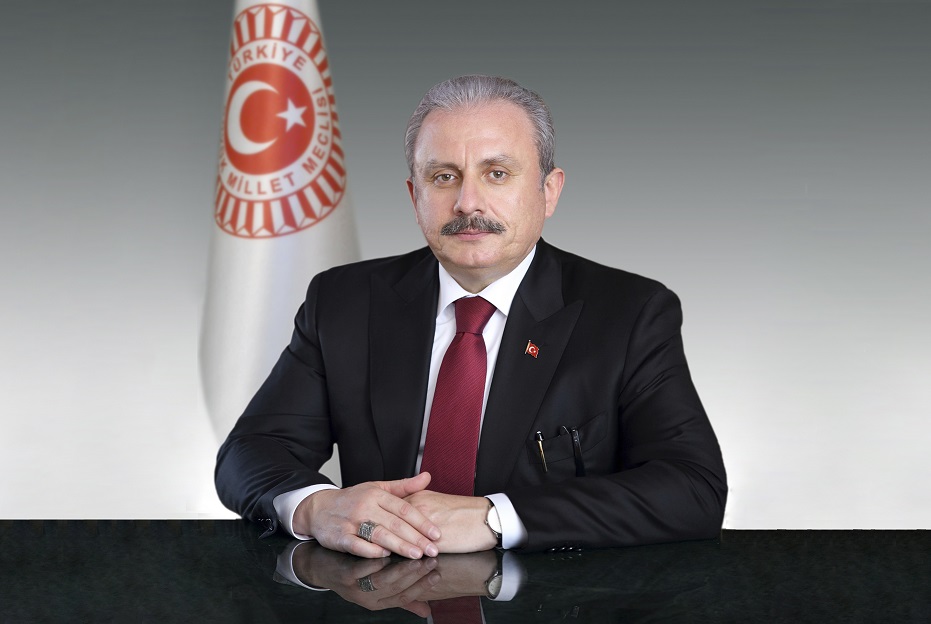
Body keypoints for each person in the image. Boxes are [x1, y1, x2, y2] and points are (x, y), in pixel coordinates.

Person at [215, 75, 727, 559]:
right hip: (378, 591)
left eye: (496, 174)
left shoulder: (629, 313)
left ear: (549, 191)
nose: (467, 202)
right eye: (443, 177)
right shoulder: (345, 301)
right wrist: (315, 507)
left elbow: (693, 488)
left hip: (550, 597)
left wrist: (494, 518)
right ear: (415, 197)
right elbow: (250, 451)